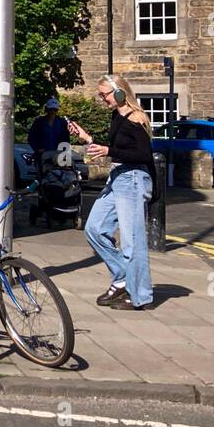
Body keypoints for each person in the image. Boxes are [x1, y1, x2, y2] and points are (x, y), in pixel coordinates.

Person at [67, 74, 154, 311]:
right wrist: (88, 139)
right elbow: (116, 149)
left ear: (118, 93)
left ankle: (140, 296)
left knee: (132, 242)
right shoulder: (117, 116)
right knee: (94, 228)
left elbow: (144, 156)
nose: (101, 99)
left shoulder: (136, 118)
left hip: (133, 179)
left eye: (104, 94)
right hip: (118, 177)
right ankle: (123, 278)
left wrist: (108, 150)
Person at [28, 97, 70, 167]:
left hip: (57, 155)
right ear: (47, 109)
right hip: (42, 154)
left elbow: (66, 139)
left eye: (55, 110)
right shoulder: (39, 121)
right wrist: (37, 149)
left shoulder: (62, 122)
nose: (52, 112)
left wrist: (64, 152)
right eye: (50, 109)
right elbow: (32, 137)